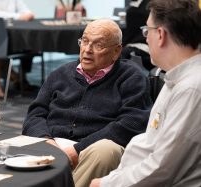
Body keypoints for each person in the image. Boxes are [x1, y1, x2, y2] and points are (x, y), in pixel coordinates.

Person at [22, 19, 153, 187]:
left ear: (116, 51)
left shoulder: (131, 77)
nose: (87, 50)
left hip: (93, 152)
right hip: (51, 146)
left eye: (98, 45)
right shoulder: (60, 74)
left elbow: (132, 122)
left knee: (106, 150)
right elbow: (35, 114)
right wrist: (46, 141)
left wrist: (78, 150)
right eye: (84, 41)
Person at [90, 0, 201, 186]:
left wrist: (106, 184)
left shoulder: (191, 89)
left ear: (160, 34)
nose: (145, 38)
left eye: (146, 31)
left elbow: (161, 169)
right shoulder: (176, 79)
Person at [121, 0, 154, 71]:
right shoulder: (148, 5)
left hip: (142, 45)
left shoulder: (134, 11)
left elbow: (130, 33)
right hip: (145, 44)